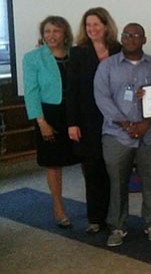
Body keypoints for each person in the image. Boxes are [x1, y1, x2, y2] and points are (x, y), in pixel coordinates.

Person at [94, 23, 151, 247]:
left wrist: (146, 123)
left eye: (136, 35)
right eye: (127, 35)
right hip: (117, 133)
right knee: (117, 181)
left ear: (144, 40)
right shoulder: (107, 67)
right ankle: (117, 226)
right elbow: (102, 98)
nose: (130, 38)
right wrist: (126, 124)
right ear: (121, 38)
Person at [66, 7, 121, 234]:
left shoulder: (119, 49)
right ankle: (95, 218)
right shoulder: (79, 53)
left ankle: (114, 217)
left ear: (106, 26)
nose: (92, 29)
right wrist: (72, 123)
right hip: (87, 121)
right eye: (88, 25)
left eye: (96, 24)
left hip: (115, 120)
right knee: (92, 171)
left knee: (113, 171)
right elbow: (72, 90)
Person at [23, 16, 80, 228]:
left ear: (65, 33)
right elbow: (31, 92)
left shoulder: (76, 54)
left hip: (75, 113)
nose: (51, 35)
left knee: (85, 157)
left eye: (56, 31)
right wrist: (41, 122)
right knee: (53, 162)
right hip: (49, 114)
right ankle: (58, 207)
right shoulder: (33, 58)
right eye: (47, 31)